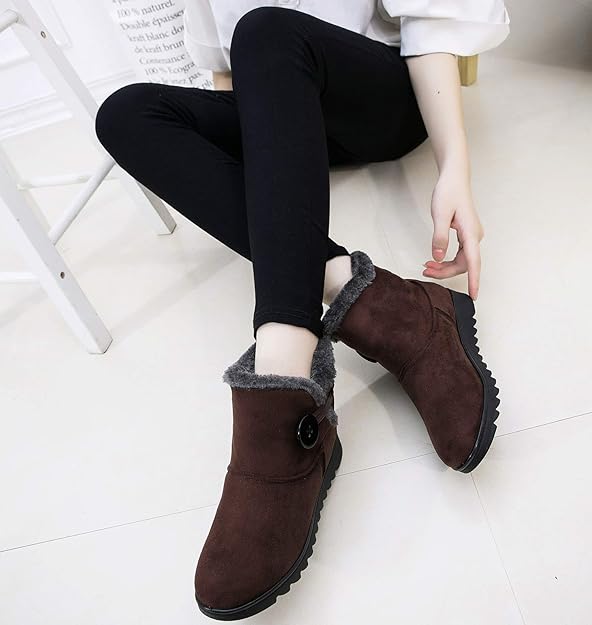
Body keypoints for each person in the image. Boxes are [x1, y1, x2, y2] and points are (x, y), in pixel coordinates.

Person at [94, 0, 510, 619]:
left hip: (379, 96)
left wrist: (455, 169)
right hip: (287, 99)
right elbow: (227, 71)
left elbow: (430, 24)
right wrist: (270, 159)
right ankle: (380, 301)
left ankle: (285, 374)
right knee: (125, 113)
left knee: (266, 27)